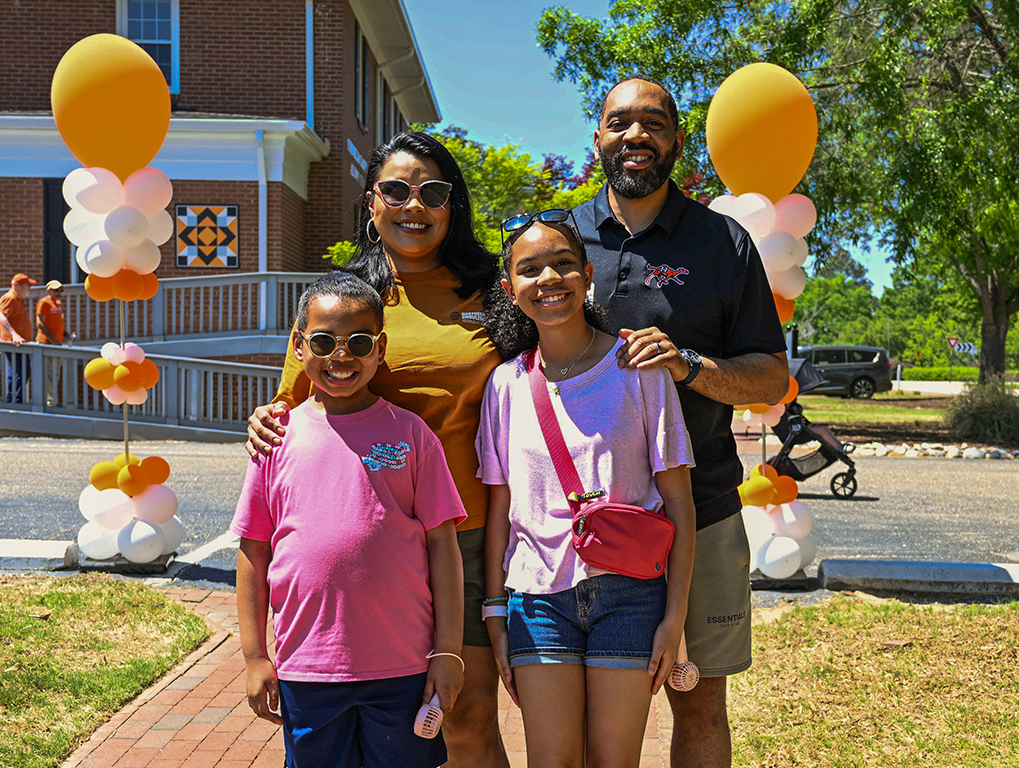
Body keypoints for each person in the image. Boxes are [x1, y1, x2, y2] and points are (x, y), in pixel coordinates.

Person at [246, 132, 511, 767]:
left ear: (454, 204)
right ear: (371, 203)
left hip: (465, 536)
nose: (413, 205)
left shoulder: (492, 294)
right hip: (365, 542)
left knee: (466, 719)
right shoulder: (345, 301)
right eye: (395, 190)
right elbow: (288, 409)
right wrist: (260, 420)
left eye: (432, 191)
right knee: (380, 730)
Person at [576, 75, 790, 768]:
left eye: (654, 122)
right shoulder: (560, 239)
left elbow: (769, 375)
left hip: (703, 510)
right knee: (594, 709)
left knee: (699, 702)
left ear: (675, 140)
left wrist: (690, 365)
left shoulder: (722, 243)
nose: (636, 134)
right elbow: (496, 358)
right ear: (599, 136)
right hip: (582, 522)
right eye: (621, 122)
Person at [478, 212, 697, 768]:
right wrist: (495, 613)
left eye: (563, 264)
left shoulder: (638, 366)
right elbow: (500, 510)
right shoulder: (504, 385)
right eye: (530, 269)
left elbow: (679, 505)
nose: (548, 278)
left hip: (629, 595)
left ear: (587, 275)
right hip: (536, 600)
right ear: (510, 288)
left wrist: (675, 617)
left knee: (612, 761)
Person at [233, 272, 466, 767]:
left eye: (359, 342)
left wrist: (448, 651)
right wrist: (255, 657)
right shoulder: (275, 439)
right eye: (323, 340)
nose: (342, 355)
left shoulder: (412, 434)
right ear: (299, 345)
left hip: (403, 665)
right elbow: (254, 550)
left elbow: (443, 545)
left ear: (380, 349)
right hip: (308, 668)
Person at [1, 273, 36, 404]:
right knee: (19, 371)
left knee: (21, 371)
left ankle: (16, 400)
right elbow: (2, 316)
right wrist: (14, 334)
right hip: (13, 343)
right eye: (28, 286)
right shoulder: (10, 298)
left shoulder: (17, 299)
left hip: (20, 343)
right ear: (19, 286)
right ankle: (14, 401)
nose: (29, 289)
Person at [35, 280, 69, 345]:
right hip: (45, 342)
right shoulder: (44, 302)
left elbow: (57, 322)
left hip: (57, 342)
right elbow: (39, 324)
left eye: (61, 290)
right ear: (49, 290)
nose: (59, 293)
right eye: (56, 290)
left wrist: (66, 334)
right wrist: (53, 340)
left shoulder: (58, 303)